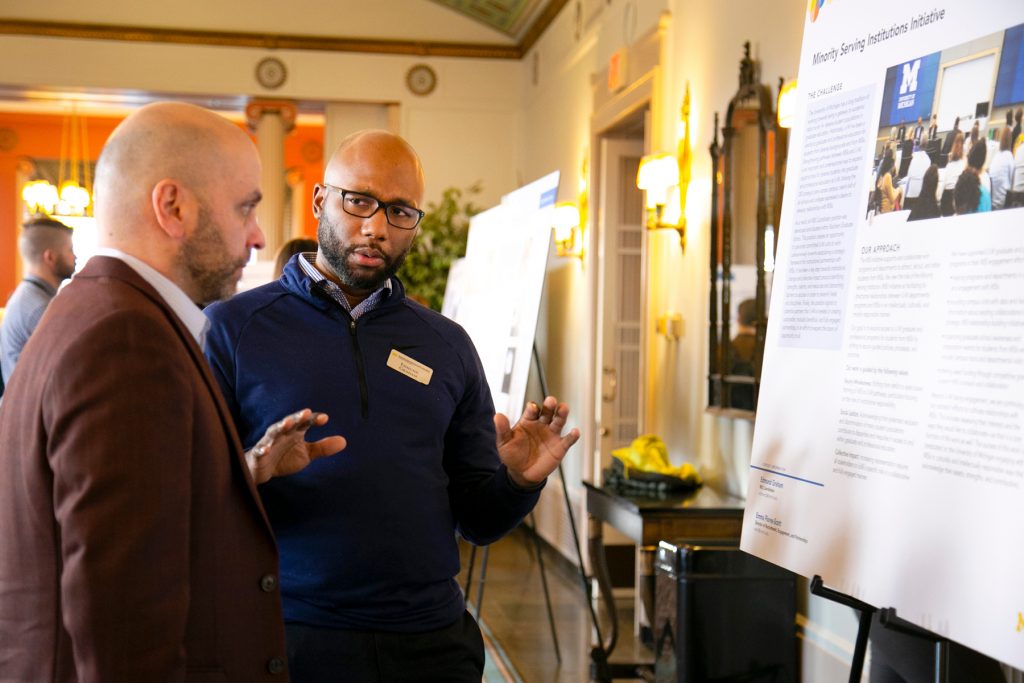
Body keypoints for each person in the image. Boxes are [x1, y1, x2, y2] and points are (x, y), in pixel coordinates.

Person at [204, 129, 581, 682]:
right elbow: (187, 501)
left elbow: (478, 519)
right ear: (319, 201)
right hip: (290, 638)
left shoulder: (448, 344)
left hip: (429, 644)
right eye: (358, 200)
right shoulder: (233, 329)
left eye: (400, 211)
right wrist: (251, 469)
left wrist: (518, 482)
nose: (376, 227)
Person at [0, 101, 345, 680]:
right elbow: (124, 623)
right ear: (173, 207)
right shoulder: (125, 339)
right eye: (246, 209)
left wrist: (245, 472)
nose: (258, 236)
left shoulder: (96, 310)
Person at [0, 215, 75, 385]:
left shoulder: (31, 296)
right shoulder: (38, 308)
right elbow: (67, 372)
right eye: (70, 250)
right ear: (50, 257)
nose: (75, 257)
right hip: (26, 410)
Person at [988, 127, 1014, 210]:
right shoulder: (1009, 156)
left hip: (992, 201)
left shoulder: (996, 156)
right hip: (1003, 202)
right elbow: (1012, 180)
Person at [941, 132, 966, 216]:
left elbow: (944, 185)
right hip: (957, 199)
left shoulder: (949, 165)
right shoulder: (964, 165)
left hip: (946, 200)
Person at [875, 147, 903, 213]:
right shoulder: (888, 176)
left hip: (882, 210)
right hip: (887, 211)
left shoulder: (882, 175)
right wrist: (899, 190)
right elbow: (892, 198)